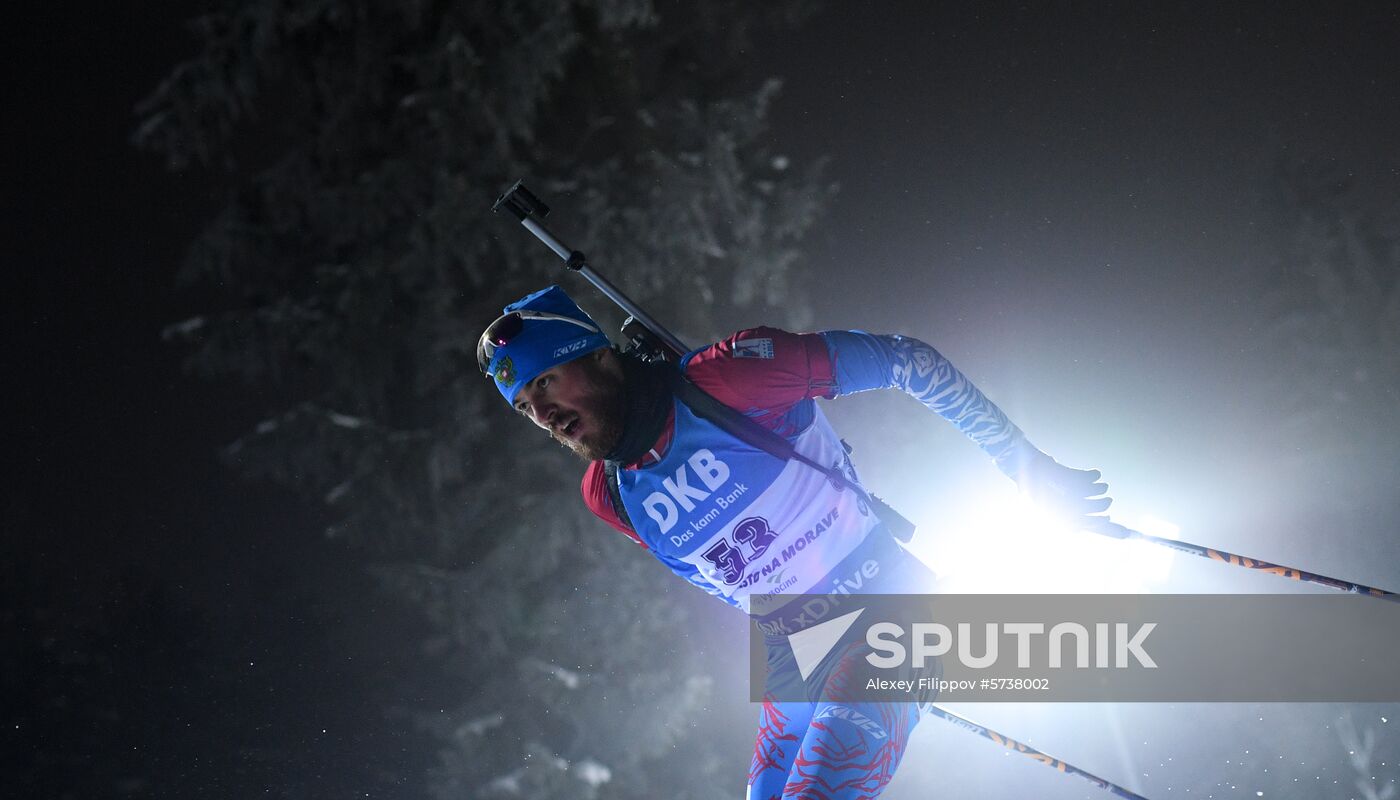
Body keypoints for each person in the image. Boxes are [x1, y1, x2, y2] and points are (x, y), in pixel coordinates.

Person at [478, 285, 1111, 799]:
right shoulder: (609, 495)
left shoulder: (726, 379)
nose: (541, 411)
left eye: (545, 382)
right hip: (798, 655)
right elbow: (727, 580)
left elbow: (903, 360)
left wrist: (1028, 467)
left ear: (596, 356)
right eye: (525, 405)